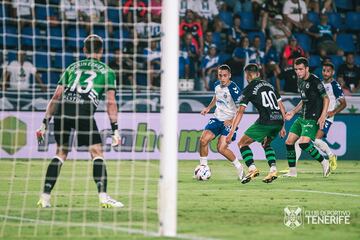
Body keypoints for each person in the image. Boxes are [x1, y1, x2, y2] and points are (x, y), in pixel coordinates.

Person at [36, 34, 123, 208]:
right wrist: (115, 130)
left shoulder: (72, 67)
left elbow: (56, 96)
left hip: (63, 110)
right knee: (97, 153)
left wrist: (44, 123)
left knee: (60, 153)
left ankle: (44, 198)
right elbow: (111, 102)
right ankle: (103, 198)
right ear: (102, 51)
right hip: (83, 110)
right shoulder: (107, 71)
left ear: (84, 50)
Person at [226, 63, 286, 184]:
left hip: (266, 121)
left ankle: (252, 169)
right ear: (258, 74)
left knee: (242, 143)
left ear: (247, 76)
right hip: (279, 120)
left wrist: (232, 130)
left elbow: (240, 111)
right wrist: (283, 126)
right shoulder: (270, 85)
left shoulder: (249, 88)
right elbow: (281, 107)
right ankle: (273, 169)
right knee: (266, 143)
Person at [292, 62, 347, 171]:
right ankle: (292, 168)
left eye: (328, 71)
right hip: (315, 116)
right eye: (324, 70)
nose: (325, 73)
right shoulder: (319, 83)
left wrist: (333, 112)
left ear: (333, 72)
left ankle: (331, 155)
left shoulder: (334, 85)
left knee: (315, 140)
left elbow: (343, 103)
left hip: (326, 118)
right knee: (299, 141)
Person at [283, 57, 330, 178]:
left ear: (307, 69)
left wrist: (323, 115)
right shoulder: (300, 81)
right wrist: (293, 111)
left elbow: (326, 98)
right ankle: (292, 172)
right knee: (289, 142)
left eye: (300, 69)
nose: (298, 72)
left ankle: (325, 162)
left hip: (313, 117)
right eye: (296, 69)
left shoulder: (315, 81)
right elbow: (304, 100)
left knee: (303, 143)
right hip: (302, 117)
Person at [198, 64, 244, 180]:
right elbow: (216, 97)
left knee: (221, 148)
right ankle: (203, 167)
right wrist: (208, 108)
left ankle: (239, 167)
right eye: (220, 75)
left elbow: (241, 109)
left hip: (229, 122)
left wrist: (231, 121)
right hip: (217, 118)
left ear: (229, 76)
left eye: (224, 76)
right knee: (203, 140)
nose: (222, 78)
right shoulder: (216, 85)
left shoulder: (234, 89)